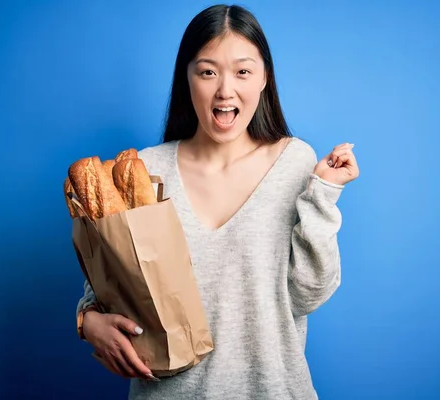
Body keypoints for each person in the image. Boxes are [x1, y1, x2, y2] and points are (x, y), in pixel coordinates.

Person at [75, 4, 360, 399]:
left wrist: (323, 196)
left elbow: (307, 294)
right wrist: (88, 321)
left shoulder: (295, 162)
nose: (225, 90)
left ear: (264, 79)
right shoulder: (146, 169)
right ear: (186, 78)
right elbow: (111, 283)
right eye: (208, 71)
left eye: (243, 71)